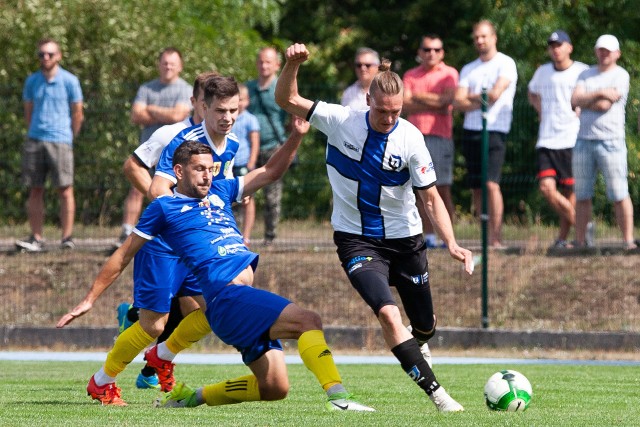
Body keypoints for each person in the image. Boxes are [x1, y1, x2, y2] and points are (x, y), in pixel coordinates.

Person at [57, 129, 374, 413]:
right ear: (178, 171)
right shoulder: (164, 208)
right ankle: (339, 399)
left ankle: (189, 395)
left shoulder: (221, 192)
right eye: (199, 169)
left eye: (211, 169)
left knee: (275, 387)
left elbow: (270, 171)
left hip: (234, 301)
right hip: (228, 297)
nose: (207, 176)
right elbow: (123, 255)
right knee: (309, 321)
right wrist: (89, 299)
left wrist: (297, 135)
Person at [275, 42, 473, 413]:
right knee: (386, 313)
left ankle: (421, 341)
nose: (388, 118)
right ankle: (439, 396)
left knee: (425, 324)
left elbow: (430, 198)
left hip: (405, 241)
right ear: (368, 99)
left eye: (396, 112)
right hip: (356, 240)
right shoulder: (339, 119)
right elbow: (287, 98)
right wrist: (291, 65)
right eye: (382, 111)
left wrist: (451, 242)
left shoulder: (411, 137)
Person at [117, 71, 218, 390]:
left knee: (204, 312)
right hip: (165, 241)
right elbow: (133, 165)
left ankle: (141, 339)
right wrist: (164, 204)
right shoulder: (171, 134)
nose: (218, 112)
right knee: (180, 312)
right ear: (196, 102)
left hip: (197, 238)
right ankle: (137, 363)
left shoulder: (220, 142)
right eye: (209, 103)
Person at [116, 47, 192, 246]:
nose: (168, 66)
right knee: (135, 188)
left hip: (175, 151)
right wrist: (166, 113)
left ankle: (171, 230)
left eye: (172, 63)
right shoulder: (146, 88)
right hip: (149, 148)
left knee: (173, 189)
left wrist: (150, 109)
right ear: (159, 65)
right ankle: (126, 231)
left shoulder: (185, 89)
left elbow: (178, 116)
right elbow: (135, 115)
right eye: (165, 62)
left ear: (180, 66)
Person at [454, 20, 517, 248]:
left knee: (491, 184)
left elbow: (494, 95)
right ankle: (484, 236)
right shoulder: (469, 68)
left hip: (495, 130)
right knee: (476, 187)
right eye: (476, 37)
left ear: (494, 37)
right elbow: (457, 102)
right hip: (471, 130)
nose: (480, 41)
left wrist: (473, 97)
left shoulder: (506, 64)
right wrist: (480, 98)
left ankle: (496, 237)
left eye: (484, 36)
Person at [570, 34, 638, 249]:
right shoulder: (585, 73)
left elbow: (604, 106)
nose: (603, 54)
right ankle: (580, 242)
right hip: (583, 141)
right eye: (600, 50)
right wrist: (600, 93)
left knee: (619, 193)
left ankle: (627, 241)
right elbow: (574, 100)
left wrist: (586, 99)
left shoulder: (621, 75)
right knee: (582, 195)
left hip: (611, 141)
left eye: (608, 51)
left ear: (617, 53)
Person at [16, 38, 84, 252]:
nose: (46, 58)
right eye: (42, 54)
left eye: (50, 54)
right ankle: (36, 238)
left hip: (61, 140)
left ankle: (67, 238)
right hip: (35, 139)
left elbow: (77, 112)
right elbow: (28, 110)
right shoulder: (32, 81)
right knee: (35, 189)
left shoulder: (70, 81)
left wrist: (70, 136)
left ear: (59, 56)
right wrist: (32, 131)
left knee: (65, 189)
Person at [528, 30, 588, 248]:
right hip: (546, 139)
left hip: (572, 138)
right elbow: (531, 92)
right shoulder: (542, 72)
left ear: (569, 47)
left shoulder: (582, 71)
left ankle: (563, 238)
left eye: (559, 44)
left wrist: (583, 107)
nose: (555, 49)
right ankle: (583, 226)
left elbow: (590, 94)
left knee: (569, 191)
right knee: (546, 188)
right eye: (552, 45)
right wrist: (538, 107)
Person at [402, 34, 458, 248]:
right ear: (420, 52)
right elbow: (404, 104)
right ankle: (428, 236)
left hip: (440, 137)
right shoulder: (410, 74)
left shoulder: (449, 73)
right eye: (426, 49)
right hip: (414, 137)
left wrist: (418, 96)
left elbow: (446, 102)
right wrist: (434, 101)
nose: (431, 53)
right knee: (417, 190)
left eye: (436, 49)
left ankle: (448, 238)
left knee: (442, 189)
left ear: (442, 52)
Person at [246, 47, 288, 245]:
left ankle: (270, 238)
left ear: (277, 65)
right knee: (243, 194)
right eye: (261, 61)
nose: (264, 65)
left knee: (272, 197)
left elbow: (291, 117)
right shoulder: (247, 89)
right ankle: (240, 235)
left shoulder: (282, 87)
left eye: (268, 62)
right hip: (247, 149)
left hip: (274, 147)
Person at [231, 83, 260, 246]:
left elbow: (254, 142)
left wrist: (251, 163)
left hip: (243, 164)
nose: (239, 103)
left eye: (241, 100)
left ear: (247, 101)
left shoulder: (251, 119)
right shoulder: (228, 117)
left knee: (247, 200)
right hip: (228, 165)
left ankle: (246, 236)